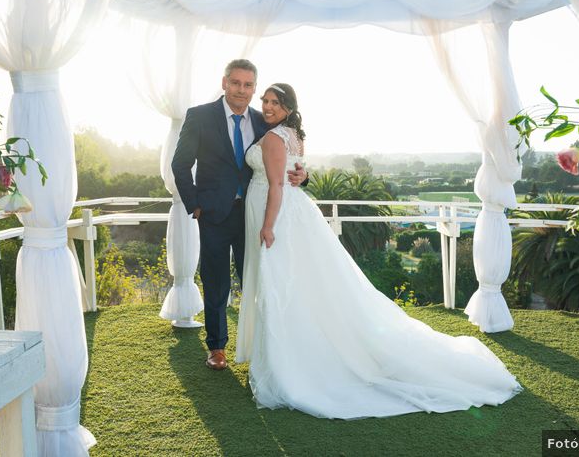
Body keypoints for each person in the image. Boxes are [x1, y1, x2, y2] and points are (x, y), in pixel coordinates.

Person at [235, 83, 522, 419]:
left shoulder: (273, 137)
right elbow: (293, 171)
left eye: (275, 102)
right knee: (301, 284)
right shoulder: (292, 134)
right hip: (292, 213)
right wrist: (301, 177)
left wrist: (268, 226)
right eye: (265, 101)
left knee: (283, 284)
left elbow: (277, 184)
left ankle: (290, 361)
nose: (267, 106)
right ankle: (295, 349)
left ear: (287, 107)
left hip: (278, 216)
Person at [172, 60, 307, 371]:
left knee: (258, 279)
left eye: (248, 85)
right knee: (216, 280)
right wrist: (195, 203)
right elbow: (180, 165)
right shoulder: (199, 116)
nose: (241, 90)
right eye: (236, 83)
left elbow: (285, 158)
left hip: (255, 215)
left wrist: (305, 176)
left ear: (254, 88)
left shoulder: (266, 120)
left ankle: (262, 343)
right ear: (224, 82)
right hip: (214, 214)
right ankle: (217, 347)